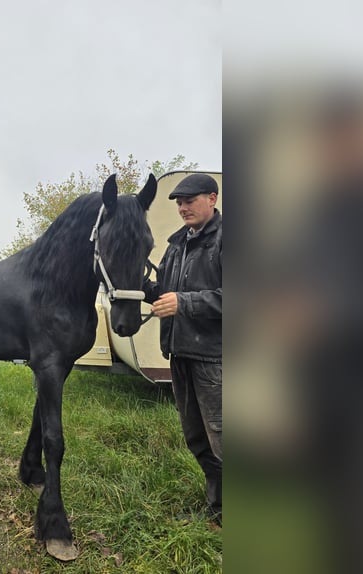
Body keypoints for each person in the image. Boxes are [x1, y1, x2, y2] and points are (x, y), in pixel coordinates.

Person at [143, 173, 222, 523]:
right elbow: (165, 291)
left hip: (216, 358)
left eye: (190, 199)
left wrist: (184, 303)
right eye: (178, 201)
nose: (182, 207)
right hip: (180, 353)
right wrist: (138, 286)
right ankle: (219, 509)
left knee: (223, 438)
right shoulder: (176, 244)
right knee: (197, 437)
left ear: (213, 198)